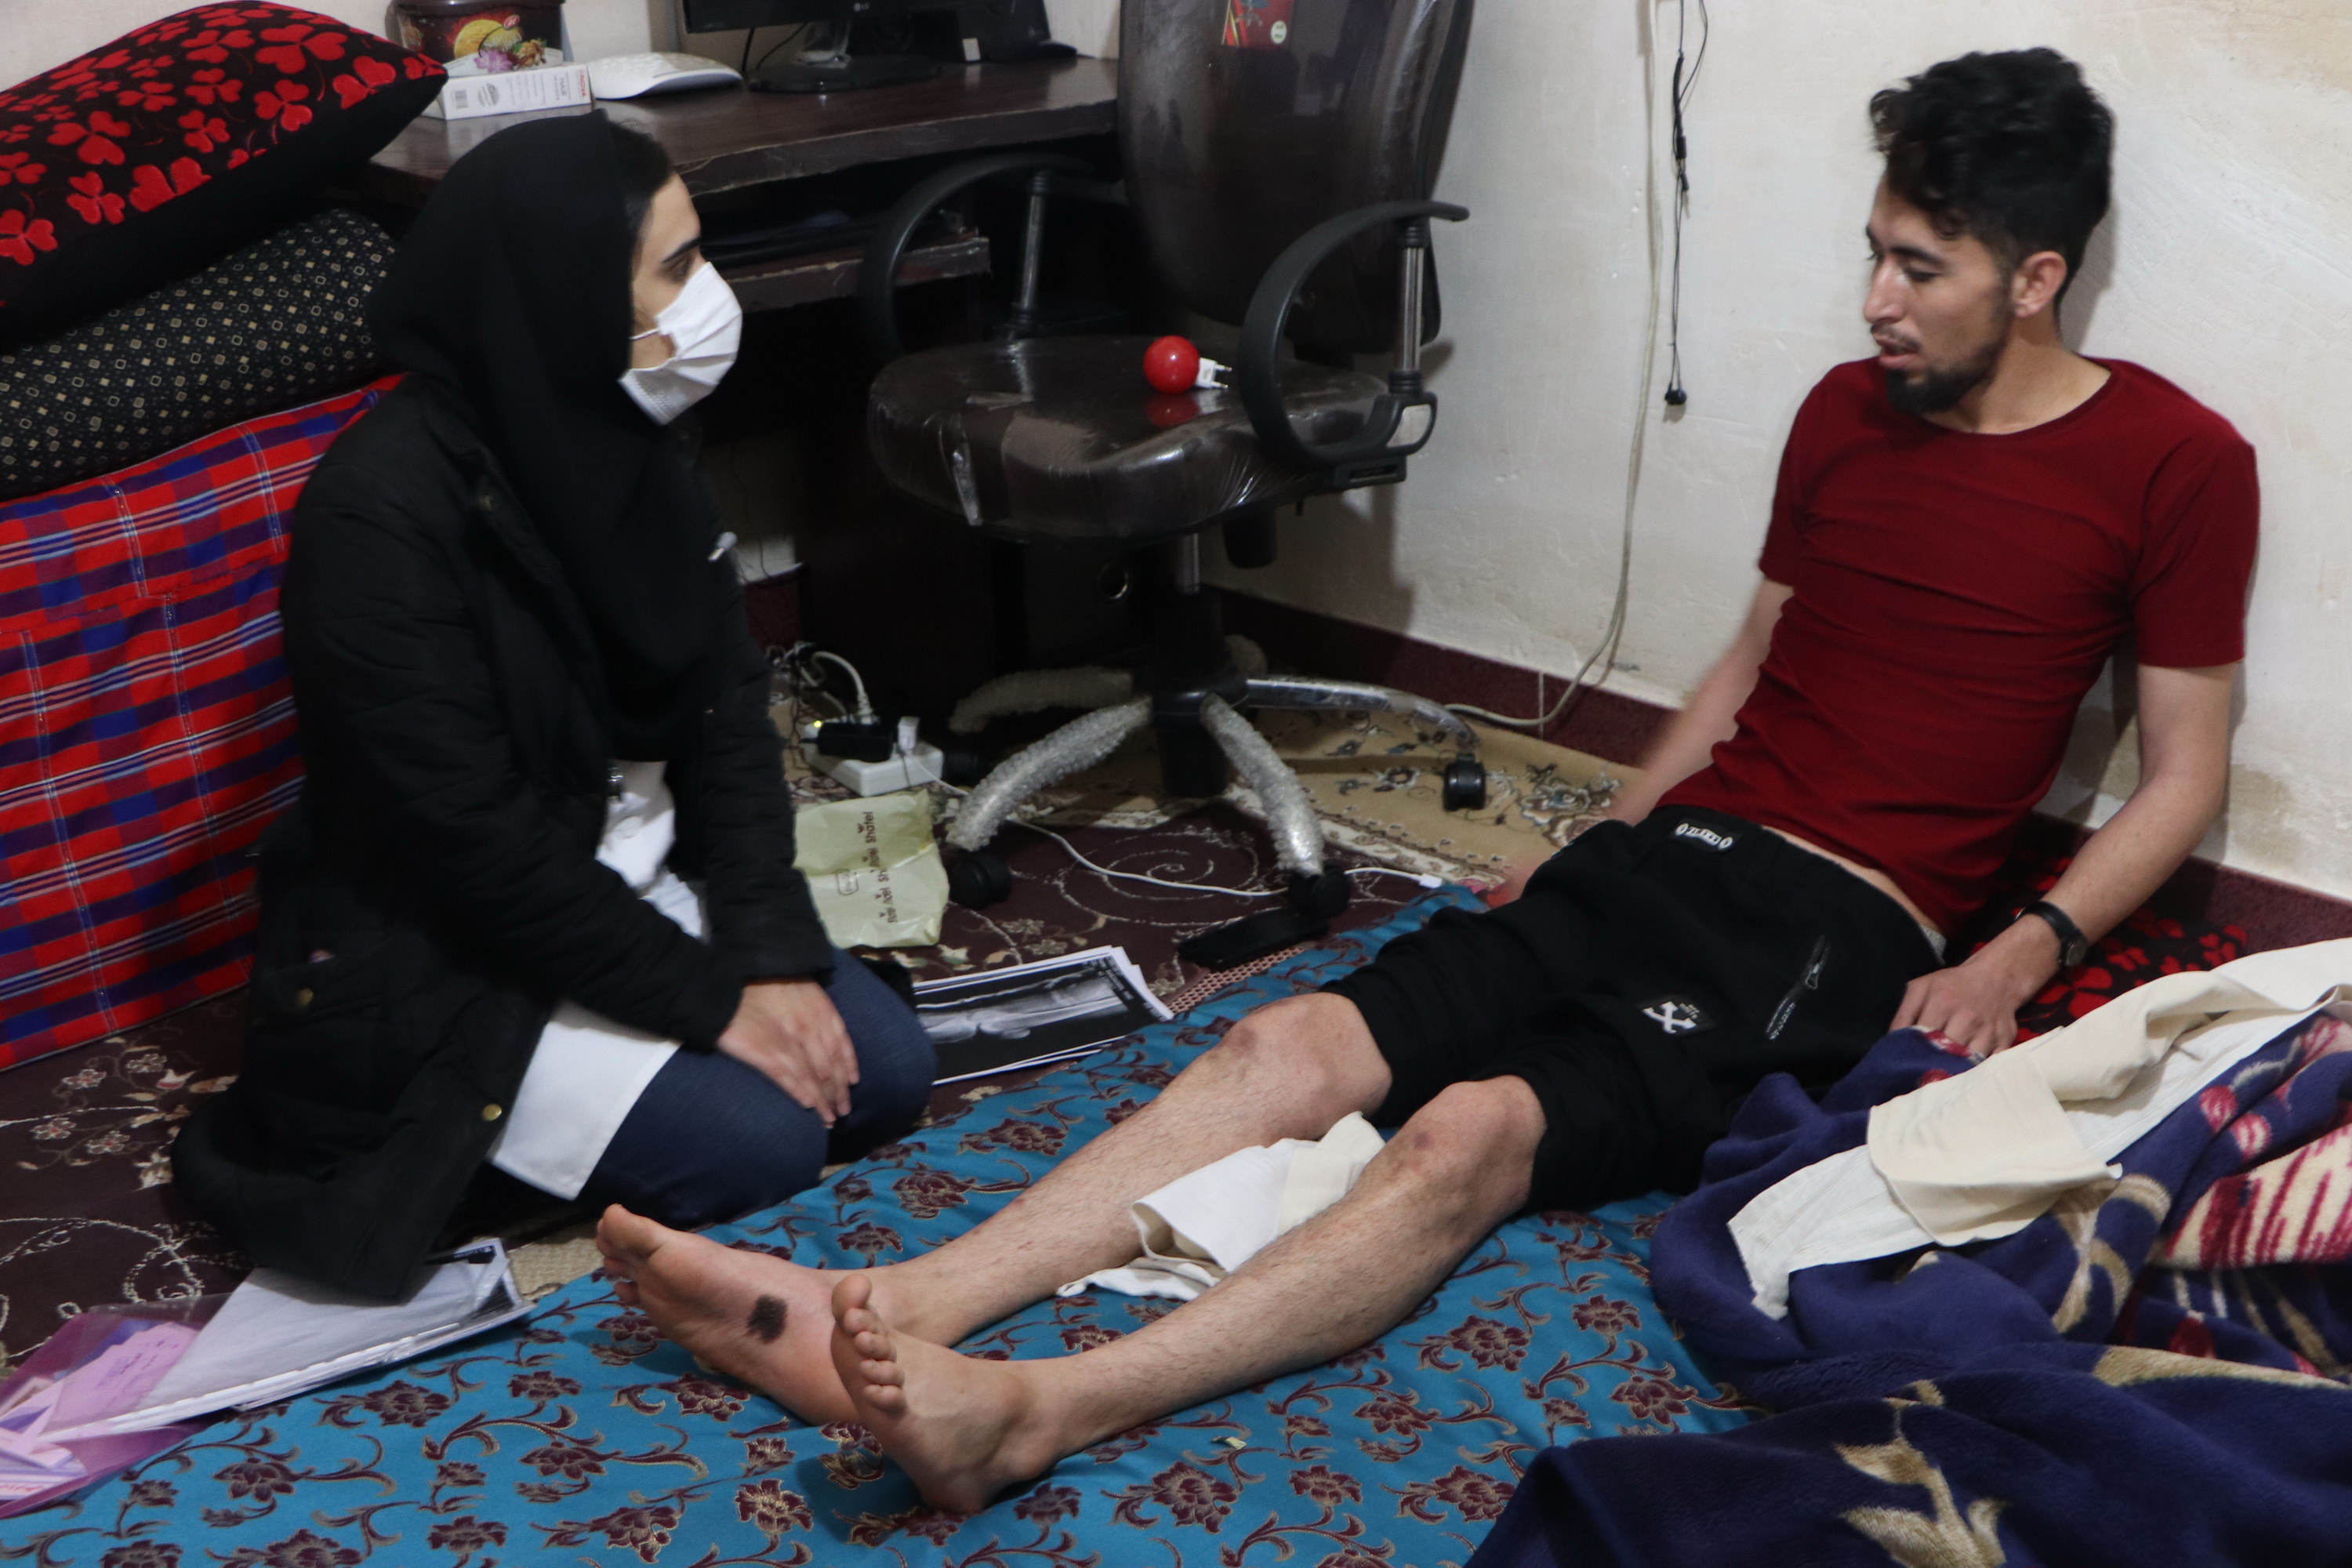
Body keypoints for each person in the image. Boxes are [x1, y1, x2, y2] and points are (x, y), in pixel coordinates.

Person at [597, 48, 2257, 1510]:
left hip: (1834, 923)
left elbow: (2181, 775)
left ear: (2035, 279)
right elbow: (1752, 664)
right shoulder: (1845, 411)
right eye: (1874, 252)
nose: (1877, 299)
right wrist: (1600, 834)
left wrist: (2020, 950)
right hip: (1679, 848)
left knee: (1469, 1133)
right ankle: (896, 1304)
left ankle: (1034, 1413)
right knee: (1287, 1041)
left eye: (1920, 267)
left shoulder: (2175, 464)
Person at [174, 116, 934, 1301]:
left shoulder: (636, 445)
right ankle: (456, 1140)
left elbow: (730, 731)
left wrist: (770, 960)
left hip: (632, 887)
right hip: (458, 952)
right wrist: (713, 1004)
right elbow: (470, 842)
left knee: (886, 1073)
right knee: (764, 1146)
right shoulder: (376, 516)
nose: (711, 296)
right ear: (564, 291)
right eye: (678, 266)